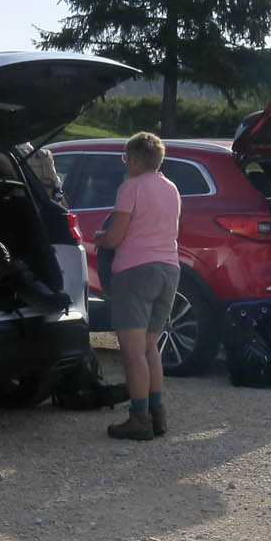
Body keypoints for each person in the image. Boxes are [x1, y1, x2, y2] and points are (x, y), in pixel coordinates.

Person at [93, 131, 182, 440]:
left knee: (132, 352)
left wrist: (99, 238)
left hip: (135, 272)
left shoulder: (130, 188)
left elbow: (115, 237)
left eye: (124, 159)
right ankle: (158, 414)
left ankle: (139, 418)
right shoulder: (171, 188)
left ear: (132, 160)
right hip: (169, 269)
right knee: (149, 347)